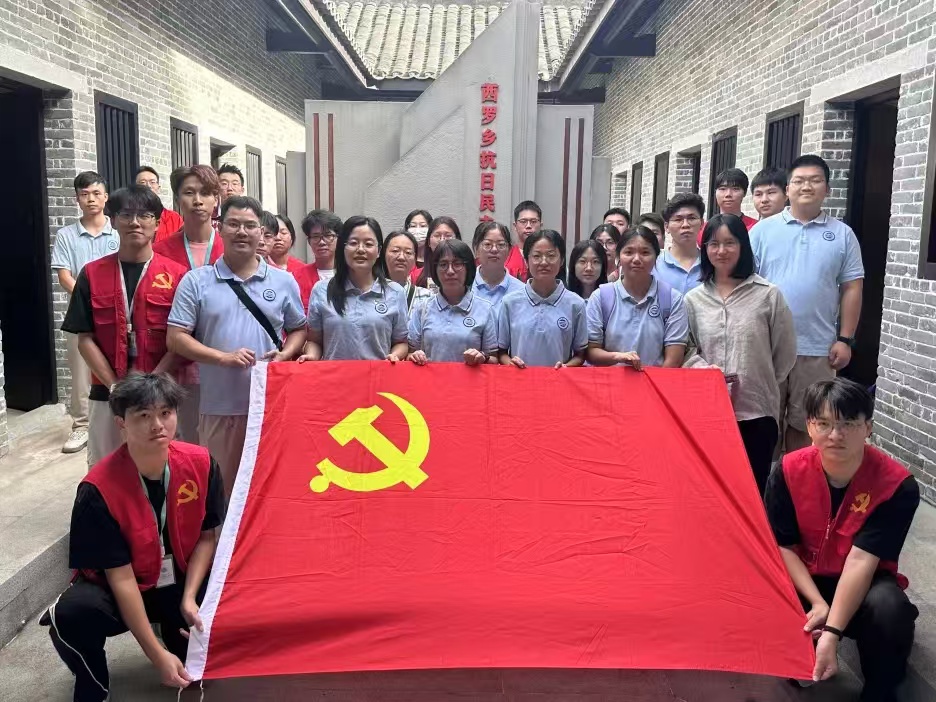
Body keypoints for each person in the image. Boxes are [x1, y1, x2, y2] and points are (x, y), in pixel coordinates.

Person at [40, 373, 224, 702]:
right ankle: (93, 686)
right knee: (74, 614)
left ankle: (173, 627)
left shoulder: (202, 464)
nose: (158, 425)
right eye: (143, 415)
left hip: (179, 577)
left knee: (232, 598)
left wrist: (190, 598)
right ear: (121, 423)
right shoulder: (97, 489)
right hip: (124, 585)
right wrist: (156, 655)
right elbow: (121, 577)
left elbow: (206, 538)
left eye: (165, 413)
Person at [765, 378, 920, 702]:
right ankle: (798, 656)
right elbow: (783, 546)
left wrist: (833, 632)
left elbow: (862, 559)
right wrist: (817, 603)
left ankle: (881, 690)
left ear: (868, 428)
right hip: (806, 577)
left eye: (848, 424)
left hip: (864, 580)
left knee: (890, 608)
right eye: (824, 423)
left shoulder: (896, 485)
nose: (836, 435)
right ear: (810, 426)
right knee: (761, 587)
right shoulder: (787, 471)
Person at [167, 196, 306, 499]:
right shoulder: (197, 281)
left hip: (271, 406)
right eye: (233, 224)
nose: (242, 231)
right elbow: (175, 337)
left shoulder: (283, 282)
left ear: (261, 232)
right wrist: (222, 358)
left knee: (271, 490)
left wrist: (285, 354)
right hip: (219, 407)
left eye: (250, 225)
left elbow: (299, 328)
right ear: (220, 228)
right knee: (222, 490)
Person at [60, 186, 187, 468]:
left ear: (157, 223)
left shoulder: (178, 276)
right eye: (126, 214)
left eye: (145, 215)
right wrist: (115, 386)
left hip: (160, 394)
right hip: (106, 393)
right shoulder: (91, 273)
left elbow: (182, 339)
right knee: (106, 469)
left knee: (159, 468)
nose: (135, 222)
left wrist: (153, 384)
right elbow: (84, 338)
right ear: (114, 220)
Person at [751, 154, 864, 453]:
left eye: (815, 180)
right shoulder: (762, 231)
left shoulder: (842, 235)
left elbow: (852, 287)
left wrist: (845, 339)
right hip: (766, 347)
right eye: (799, 181)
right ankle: (766, 481)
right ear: (787, 189)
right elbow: (744, 284)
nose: (806, 186)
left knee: (807, 424)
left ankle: (795, 478)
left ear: (827, 189)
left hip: (817, 348)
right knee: (764, 424)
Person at [683, 214, 797, 493]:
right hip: (708, 412)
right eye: (713, 244)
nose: (721, 251)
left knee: (753, 490)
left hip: (756, 410)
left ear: (743, 246)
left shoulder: (768, 295)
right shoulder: (693, 300)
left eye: (729, 243)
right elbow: (686, 349)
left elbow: (784, 353)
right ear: (705, 249)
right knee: (711, 491)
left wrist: (760, 378)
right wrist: (705, 373)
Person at [154, 165, 225, 444]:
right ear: (177, 199)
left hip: (224, 362)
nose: (198, 201)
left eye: (206, 193)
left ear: (216, 199)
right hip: (177, 365)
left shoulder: (232, 248)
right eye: (189, 193)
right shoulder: (160, 252)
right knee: (184, 443)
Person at [51, 172, 118, 455]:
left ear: (106, 197)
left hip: (115, 312)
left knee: (115, 363)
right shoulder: (66, 235)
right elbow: (64, 276)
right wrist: (88, 299)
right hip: (81, 313)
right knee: (80, 369)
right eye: (84, 194)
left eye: (96, 193)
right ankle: (81, 425)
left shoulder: (118, 232)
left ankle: (118, 415)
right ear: (76, 199)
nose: (90, 199)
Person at [300, 216, 409, 363]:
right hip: (335, 375)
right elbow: (314, 340)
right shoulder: (322, 290)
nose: (360, 250)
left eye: (368, 244)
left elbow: (401, 342)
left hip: (377, 376)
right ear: (343, 248)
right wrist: (312, 356)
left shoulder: (395, 292)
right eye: (353, 243)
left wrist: (395, 355)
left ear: (378, 251)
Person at [586, 227, 689, 369]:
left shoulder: (673, 299)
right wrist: (617, 357)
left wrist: (652, 382)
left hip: (655, 381)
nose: (636, 259)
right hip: (610, 382)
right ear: (618, 257)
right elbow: (591, 351)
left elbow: (674, 360)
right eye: (629, 252)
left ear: (656, 257)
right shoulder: (600, 297)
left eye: (645, 252)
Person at [497, 230, 587, 369]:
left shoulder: (576, 304)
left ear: (562, 260)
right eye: (537, 256)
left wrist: (566, 367)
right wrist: (511, 364)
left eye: (551, 256)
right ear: (526, 261)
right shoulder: (509, 302)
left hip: (558, 380)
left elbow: (580, 355)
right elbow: (501, 352)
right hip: (520, 379)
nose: (544, 262)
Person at [408, 240, 497, 365]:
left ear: (468, 268)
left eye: (457, 264)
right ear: (435, 269)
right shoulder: (422, 308)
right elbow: (409, 354)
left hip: (470, 378)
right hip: (431, 377)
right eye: (443, 264)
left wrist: (482, 357)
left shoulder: (485, 309)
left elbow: (494, 358)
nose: (450, 271)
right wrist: (414, 356)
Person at [656, 193, 704, 295]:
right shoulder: (655, 263)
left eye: (692, 218)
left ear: (702, 223)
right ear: (666, 227)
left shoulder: (711, 263)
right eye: (678, 219)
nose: (685, 225)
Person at [294, 209, 342, 311]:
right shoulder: (296, 277)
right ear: (309, 241)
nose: (322, 242)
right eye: (316, 237)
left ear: (339, 239)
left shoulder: (352, 275)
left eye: (328, 235)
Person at [471, 221, 525, 306]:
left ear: (509, 250)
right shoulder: (465, 287)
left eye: (501, 245)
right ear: (476, 249)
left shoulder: (521, 291)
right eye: (487, 244)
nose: (494, 249)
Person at [383, 229, 432, 316]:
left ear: (415, 259)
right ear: (383, 254)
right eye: (395, 251)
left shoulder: (426, 297)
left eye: (408, 252)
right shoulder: (371, 293)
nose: (401, 257)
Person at [135, 166, 183, 243]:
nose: (148, 186)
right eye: (142, 182)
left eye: (152, 182)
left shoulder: (174, 218)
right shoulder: (129, 218)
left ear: (158, 188)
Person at [414, 216, 461, 290]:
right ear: (428, 242)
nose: (442, 240)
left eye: (448, 236)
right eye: (437, 236)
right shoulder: (416, 275)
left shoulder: (465, 272)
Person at [711, 167, 757, 237]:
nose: (728, 194)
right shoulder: (704, 228)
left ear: (744, 193)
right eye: (723, 189)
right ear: (715, 192)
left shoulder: (756, 227)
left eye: (735, 189)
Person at [505, 201, 543, 281]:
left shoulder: (549, 256)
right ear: (515, 226)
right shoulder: (505, 256)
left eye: (533, 221)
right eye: (523, 221)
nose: (528, 226)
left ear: (540, 225)